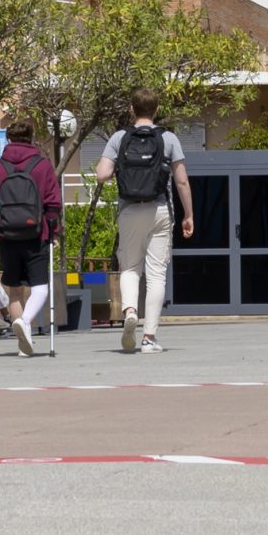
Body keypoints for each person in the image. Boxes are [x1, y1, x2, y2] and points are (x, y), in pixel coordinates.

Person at [92, 88, 195, 353]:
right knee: (156, 274)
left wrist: (115, 166)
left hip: (129, 210)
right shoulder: (169, 138)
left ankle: (129, 311)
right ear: (157, 110)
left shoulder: (120, 138)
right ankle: (149, 337)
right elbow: (181, 180)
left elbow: (102, 175)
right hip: (160, 209)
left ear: (132, 109)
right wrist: (189, 214)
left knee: (129, 267)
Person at [0, 112, 62, 356]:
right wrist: (53, 231)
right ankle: (24, 323)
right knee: (40, 288)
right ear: (32, 139)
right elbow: (53, 204)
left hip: (7, 235)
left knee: (14, 288)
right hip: (37, 234)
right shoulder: (42, 165)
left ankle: (22, 339)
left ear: (8, 139)